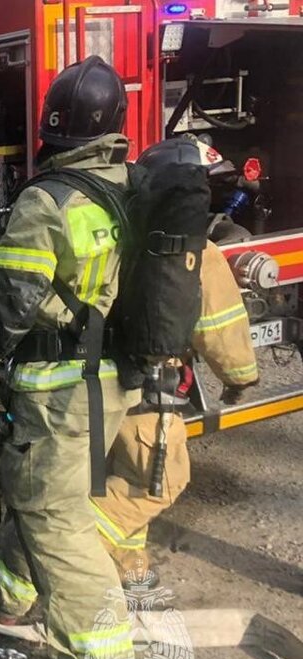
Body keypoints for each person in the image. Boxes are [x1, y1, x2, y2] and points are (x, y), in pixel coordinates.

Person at [0, 56, 138, 659]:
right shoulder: (130, 189)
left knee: (56, 519)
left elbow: (9, 302)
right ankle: (9, 594)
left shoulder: (48, 201)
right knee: (39, 494)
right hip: (109, 381)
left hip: (58, 386)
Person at [92, 137, 259, 589]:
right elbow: (222, 329)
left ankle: (126, 569)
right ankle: (34, 569)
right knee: (159, 481)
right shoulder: (194, 253)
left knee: (121, 479)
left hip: (98, 389)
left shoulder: (114, 235)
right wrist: (240, 379)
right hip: (151, 397)